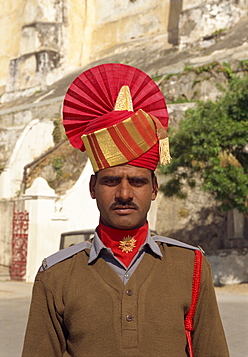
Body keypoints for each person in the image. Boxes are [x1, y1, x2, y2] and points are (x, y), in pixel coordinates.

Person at [22, 64, 229, 356]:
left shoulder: (191, 266)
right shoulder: (55, 274)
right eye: (111, 181)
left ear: (154, 188)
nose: (124, 194)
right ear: (92, 187)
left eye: (137, 181)